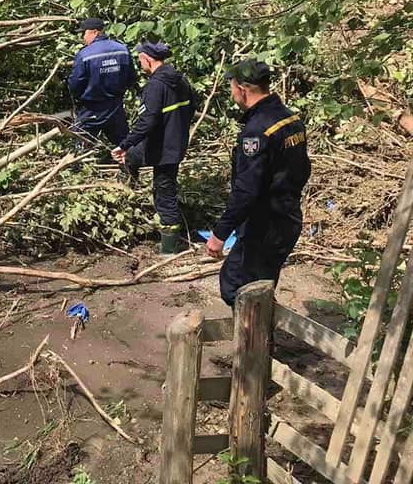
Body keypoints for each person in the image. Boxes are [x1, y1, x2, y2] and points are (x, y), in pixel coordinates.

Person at [205, 60, 311, 307]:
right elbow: (303, 169)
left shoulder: (257, 131)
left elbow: (246, 191)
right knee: (260, 286)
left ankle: (258, 332)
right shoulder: (290, 118)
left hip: (265, 226)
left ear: (242, 89)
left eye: (232, 87)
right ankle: (263, 328)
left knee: (236, 287)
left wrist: (220, 234)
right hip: (288, 217)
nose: (232, 93)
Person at [111, 42, 196, 254]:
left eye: (140, 59)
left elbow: (146, 122)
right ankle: (131, 198)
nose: (140, 64)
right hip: (175, 143)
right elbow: (192, 107)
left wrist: (125, 144)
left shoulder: (155, 86)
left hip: (162, 147)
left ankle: (168, 248)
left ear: (147, 59)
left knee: (164, 192)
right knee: (134, 162)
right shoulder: (180, 80)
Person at [66, 17, 136, 159]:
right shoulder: (122, 49)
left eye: (84, 33)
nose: (83, 37)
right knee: (123, 144)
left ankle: (77, 168)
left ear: (95, 32)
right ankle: (130, 169)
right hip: (116, 106)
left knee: (81, 142)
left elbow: (75, 83)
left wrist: (78, 96)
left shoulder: (85, 54)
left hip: (92, 108)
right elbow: (131, 77)